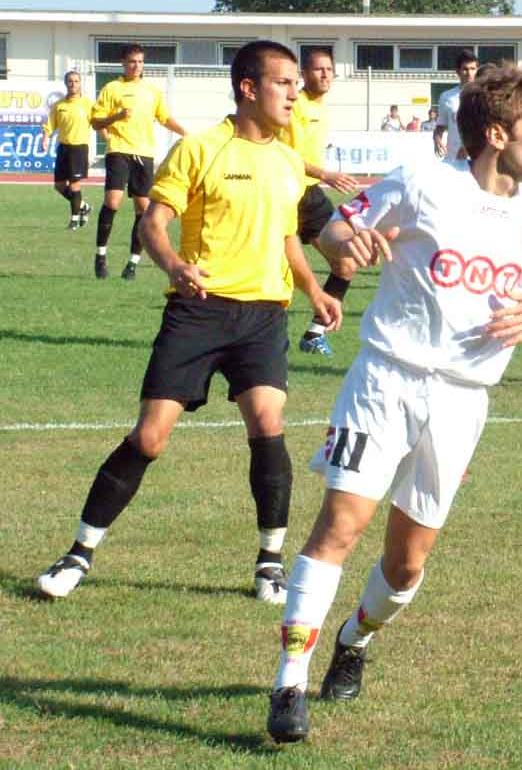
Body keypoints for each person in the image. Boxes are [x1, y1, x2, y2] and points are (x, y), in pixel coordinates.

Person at [264, 65, 522, 744]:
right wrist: (345, 242)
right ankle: (289, 682)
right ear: (497, 133)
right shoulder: (421, 183)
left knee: (407, 563)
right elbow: (334, 233)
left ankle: (353, 638)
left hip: (463, 401)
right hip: (386, 378)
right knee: (340, 526)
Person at [35, 40, 343, 605]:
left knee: (268, 423)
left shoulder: (287, 161)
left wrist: (314, 288)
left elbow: (285, 236)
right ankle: (79, 552)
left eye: (298, 83)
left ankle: (269, 562)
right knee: (150, 437)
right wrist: (175, 265)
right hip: (198, 311)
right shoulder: (199, 149)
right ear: (249, 88)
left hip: (264, 315)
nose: (295, 92)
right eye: (285, 83)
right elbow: (155, 222)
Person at [280, 48, 360, 358]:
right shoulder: (294, 106)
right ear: (304, 74)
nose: (325, 74)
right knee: (278, 273)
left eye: (329, 69)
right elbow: (285, 156)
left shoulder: (321, 106)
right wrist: (325, 173)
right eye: (318, 69)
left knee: (346, 262)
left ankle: (314, 333)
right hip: (286, 193)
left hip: (310, 196)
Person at [90, 43, 187, 281]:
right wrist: (117, 116)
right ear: (123, 63)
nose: (137, 66)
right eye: (132, 61)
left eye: (141, 62)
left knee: (143, 210)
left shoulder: (152, 91)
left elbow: (164, 117)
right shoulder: (112, 88)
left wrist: (186, 133)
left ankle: (132, 264)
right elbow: (96, 122)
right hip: (118, 150)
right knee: (113, 201)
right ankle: (100, 256)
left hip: (144, 154)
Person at [40, 71, 94, 230]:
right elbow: (49, 125)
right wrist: (45, 138)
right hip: (63, 148)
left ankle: (74, 220)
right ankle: (83, 206)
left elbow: (98, 122)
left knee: (75, 185)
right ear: (66, 83)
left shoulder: (88, 104)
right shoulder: (59, 105)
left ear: (80, 83)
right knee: (59, 185)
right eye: (70, 81)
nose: (73, 84)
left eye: (76, 81)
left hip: (79, 148)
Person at [433, 49, 479, 161]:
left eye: (473, 69)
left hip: (478, 160)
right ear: (457, 71)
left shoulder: (483, 95)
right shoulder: (447, 96)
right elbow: (440, 126)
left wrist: (467, 147)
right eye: (465, 69)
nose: (469, 73)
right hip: (454, 159)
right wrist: (437, 139)